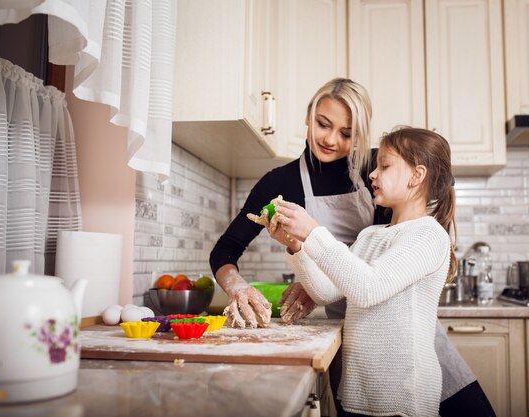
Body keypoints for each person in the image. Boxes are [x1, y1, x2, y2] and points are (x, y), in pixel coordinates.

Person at [210, 78, 495, 417]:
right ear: (308, 116)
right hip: (353, 340)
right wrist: (292, 251)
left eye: (347, 133)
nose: (331, 139)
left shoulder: (375, 170)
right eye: (323, 124)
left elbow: (408, 235)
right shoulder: (280, 183)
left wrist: (313, 236)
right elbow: (226, 250)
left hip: (404, 337)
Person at [264, 126, 456, 416]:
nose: (373, 174)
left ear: (417, 175)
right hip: (359, 393)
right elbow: (328, 292)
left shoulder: (428, 235)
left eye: (385, 166)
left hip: (402, 397)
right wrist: (296, 246)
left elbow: (369, 289)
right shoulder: (370, 235)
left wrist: (314, 232)